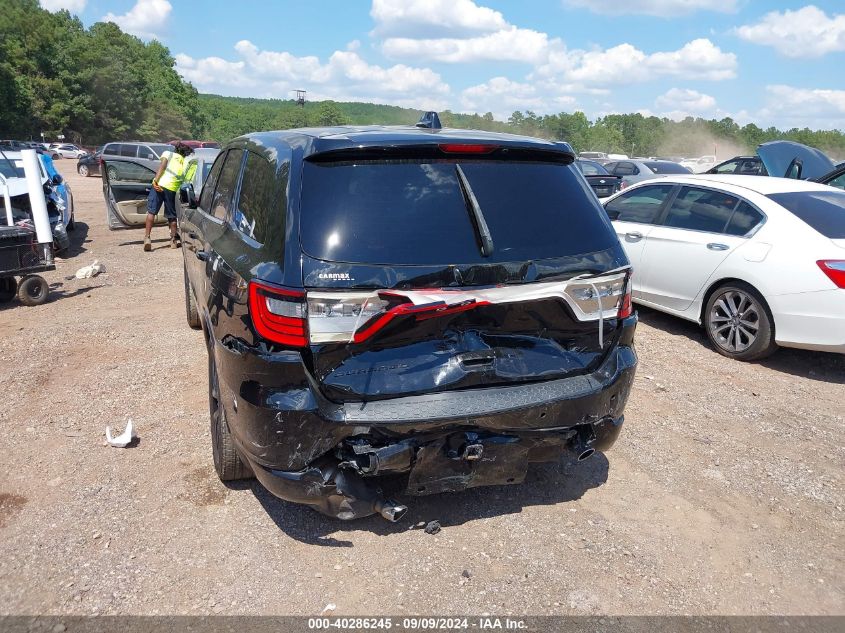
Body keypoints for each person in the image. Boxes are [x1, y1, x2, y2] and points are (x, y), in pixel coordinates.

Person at [144, 142, 194, 251]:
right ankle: (173, 241)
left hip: (159, 185)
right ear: (185, 154)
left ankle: (147, 238)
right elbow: (186, 180)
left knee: (151, 212)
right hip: (172, 189)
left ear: (176, 149)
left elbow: (162, 166)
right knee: (172, 216)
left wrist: (155, 180)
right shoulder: (186, 163)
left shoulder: (168, 154)